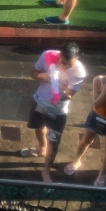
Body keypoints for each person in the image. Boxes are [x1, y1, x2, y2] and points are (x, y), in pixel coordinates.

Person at [27, 42, 86, 182]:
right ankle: (41, 148)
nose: (65, 67)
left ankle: (46, 171)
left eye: (69, 65)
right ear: (59, 55)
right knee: (37, 127)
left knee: (53, 141)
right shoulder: (47, 55)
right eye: (63, 63)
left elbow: (70, 94)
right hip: (39, 100)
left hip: (57, 109)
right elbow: (33, 73)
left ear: (77, 59)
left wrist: (62, 95)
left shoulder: (79, 72)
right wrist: (43, 76)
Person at [64, 62, 106, 186]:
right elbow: (96, 104)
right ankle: (76, 161)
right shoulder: (98, 80)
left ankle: (102, 174)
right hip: (97, 116)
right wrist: (105, 92)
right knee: (86, 141)